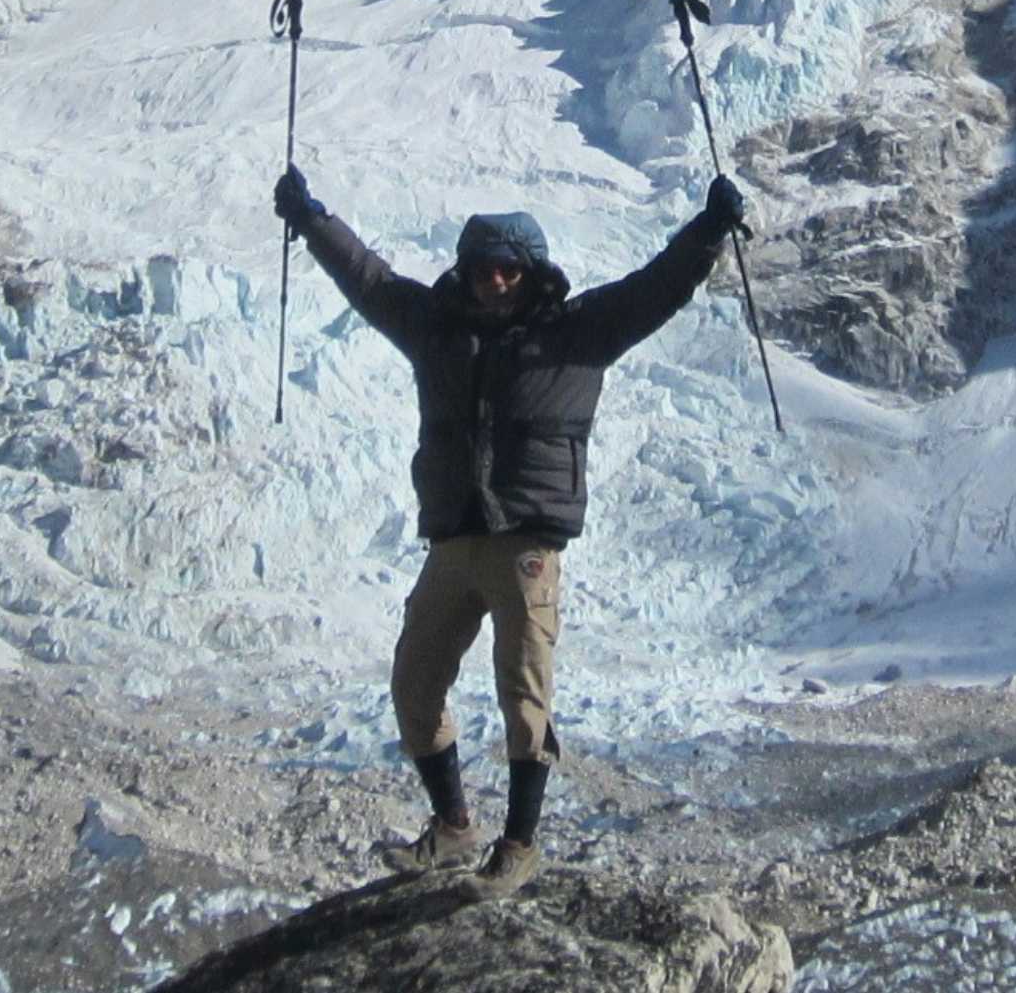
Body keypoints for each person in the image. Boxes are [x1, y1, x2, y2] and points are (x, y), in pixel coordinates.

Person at [273, 163, 748, 898]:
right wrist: (311, 219)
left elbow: (655, 288)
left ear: (531, 272)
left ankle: (519, 844)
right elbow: (368, 278)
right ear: (463, 272)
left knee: (524, 700)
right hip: (455, 539)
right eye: (482, 269)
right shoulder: (434, 330)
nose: (494, 281)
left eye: (507, 268)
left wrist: (709, 230)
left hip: (526, 544)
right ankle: (454, 825)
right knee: (414, 684)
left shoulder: (578, 332)